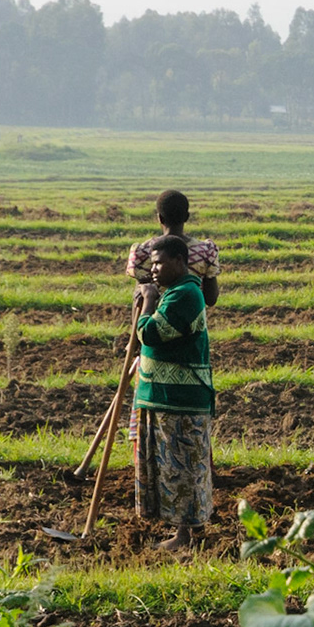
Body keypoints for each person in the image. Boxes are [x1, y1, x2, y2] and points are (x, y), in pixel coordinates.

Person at [130, 236, 215, 551]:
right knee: (167, 467)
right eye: (152, 263)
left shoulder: (187, 295)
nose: (153, 269)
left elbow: (151, 333)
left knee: (183, 469)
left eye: (159, 263)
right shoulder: (175, 292)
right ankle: (177, 532)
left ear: (180, 261)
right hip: (163, 396)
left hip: (180, 400)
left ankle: (184, 537)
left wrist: (148, 302)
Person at [125, 190, 221, 307]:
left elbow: (139, 299)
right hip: (192, 316)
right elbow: (211, 299)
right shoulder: (205, 251)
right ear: (187, 217)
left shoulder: (145, 252)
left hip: (156, 317)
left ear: (160, 218)